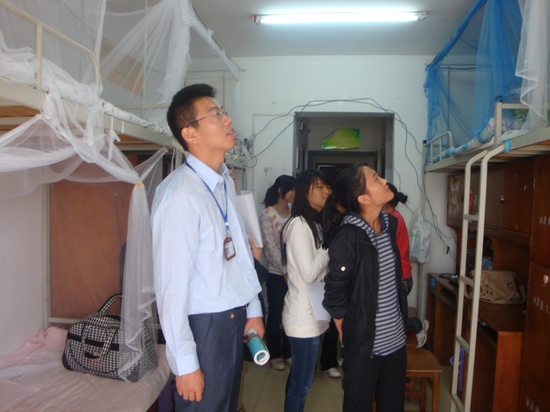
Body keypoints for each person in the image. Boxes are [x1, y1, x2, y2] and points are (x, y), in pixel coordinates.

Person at [151, 83, 264, 412]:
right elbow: (171, 290)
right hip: (204, 327)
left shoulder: (223, 180)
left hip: (233, 316)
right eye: (216, 115)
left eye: (223, 112)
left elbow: (238, 253)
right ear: (190, 133)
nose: (228, 120)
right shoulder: (179, 198)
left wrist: (253, 310)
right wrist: (185, 363)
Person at [323, 165, 407, 412]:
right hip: (363, 347)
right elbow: (335, 292)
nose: (385, 180)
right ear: (364, 198)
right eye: (376, 179)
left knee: (392, 406)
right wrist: (346, 332)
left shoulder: (389, 224)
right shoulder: (348, 237)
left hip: (396, 343)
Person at [282, 169, 331, 412]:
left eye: (327, 187)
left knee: (298, 380)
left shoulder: (313, 224)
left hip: (314, 314)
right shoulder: (299, 226)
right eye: (319, 187)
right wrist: (327, 249)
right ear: (304, 192)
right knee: (302, 385)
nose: (326, 191)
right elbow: (310, 273)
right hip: (303, 319)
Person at [382, 183, 429, 348]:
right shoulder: (393, 217)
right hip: (401, 275)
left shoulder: (392, 219)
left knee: (391, 320)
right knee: (391, 317)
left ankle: (418, 325)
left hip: (400, 277)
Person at [260, 174, 296, 371]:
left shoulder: (295, 213)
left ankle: (288, 352)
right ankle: (274, 354)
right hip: (276, 274)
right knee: (275, 314)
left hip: (296, 272)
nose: (295, 193)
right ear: (281, 190)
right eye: (292, 189)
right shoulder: (268, 215)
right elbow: (270, 247)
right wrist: (283, 271)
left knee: (293, 312)